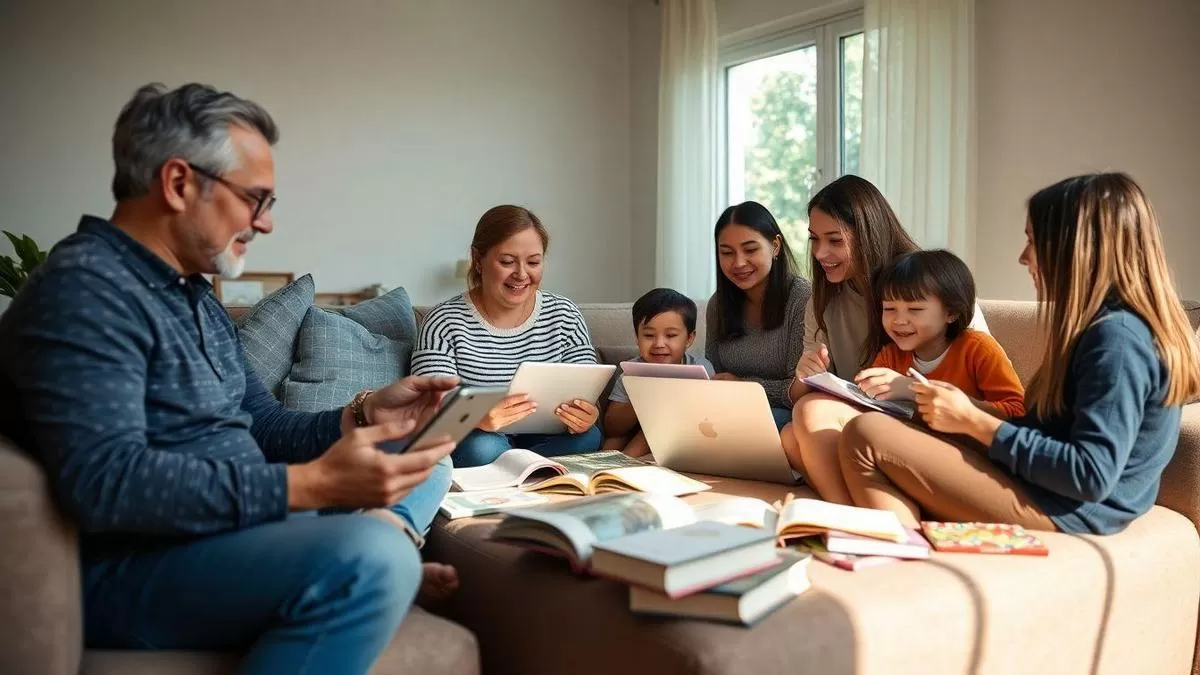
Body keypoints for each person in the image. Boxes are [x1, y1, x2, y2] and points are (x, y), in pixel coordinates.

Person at [0, 83, 460, 675]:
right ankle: (374, 564)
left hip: (237, 529)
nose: (265, 223)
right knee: (374, 560)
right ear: (178, 183)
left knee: (426, 452)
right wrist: (313, 488)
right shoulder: (86, 290)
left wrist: (364, 416)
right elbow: (107, 483)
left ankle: (369, 553)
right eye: (255, 199)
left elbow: (261, 423)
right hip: (142, 564)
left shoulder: (193, 295)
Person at [837, 172, 1200, 534]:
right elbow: (1049, 434)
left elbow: (1091, 475)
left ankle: (898, 549)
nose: (1023, 257)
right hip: (1048, 491)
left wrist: (974, 422)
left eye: (1033, 241)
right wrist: (964, 408)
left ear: (1074, 247)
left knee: (867, 434)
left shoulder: (1117, 340)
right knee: (878, 425)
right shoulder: (1104, 329)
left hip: (1071, 510)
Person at [789, 174, 989, 500]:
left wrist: (907, 388)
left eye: (835, 240)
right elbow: (800, 394)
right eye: (814, 239)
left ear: (867, 235)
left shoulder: (930, 283)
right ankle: (868, 511)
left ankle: (851, 517)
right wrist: (805, 375)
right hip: (869, 424)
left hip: (933, 430)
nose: (820, 253)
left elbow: (981, 376)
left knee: (812, 414)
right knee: (790, 434)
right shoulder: (822, 299)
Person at [790, 249, 1025, 502]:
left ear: (952, 312)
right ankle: (852, 508)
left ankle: (848, 508)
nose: (899, 321)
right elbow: (867, 412)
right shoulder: (891, 355)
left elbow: (1017, 416)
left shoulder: (977, 348)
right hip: (901, 452)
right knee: (792, 436)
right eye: (889, 308)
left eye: (914, 309)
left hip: (964, 459)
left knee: (814, 416)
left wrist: (913, 389)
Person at [411, 205, 603, 467]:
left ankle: (520, 472)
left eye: (533, 262)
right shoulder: (443, 320)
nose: (522, 275)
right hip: (480, 439)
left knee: (588, 438)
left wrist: (585, 414)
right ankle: (528, 471)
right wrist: (478, 418)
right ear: (479, 259)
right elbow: (429, 404)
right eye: (507, 262)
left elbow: (587, 388)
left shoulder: (565, 314)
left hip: (549, 436)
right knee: (481, 448)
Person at [704, 200, 812, 433]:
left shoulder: (802, 299)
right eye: (727, 253)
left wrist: (743, 387)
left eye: (750, 250)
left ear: (775, 246)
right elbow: (714, 375)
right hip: (725, 410)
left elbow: (798, 390)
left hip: (785, 416)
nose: (739, 262)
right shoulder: (718, 305)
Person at [604, 288, 715, 457]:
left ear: (689, 339)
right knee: (612, 441)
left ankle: (627, 461)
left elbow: (708, 415)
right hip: (634, 428)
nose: (659, 343)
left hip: (680, 433)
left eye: (670, 335)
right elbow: (613, 427)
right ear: (637, 337)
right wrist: (642, 398)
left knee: (663, 418)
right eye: (649, 335)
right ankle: (600, 470)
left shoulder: (700, 367)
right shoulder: (631, 371)